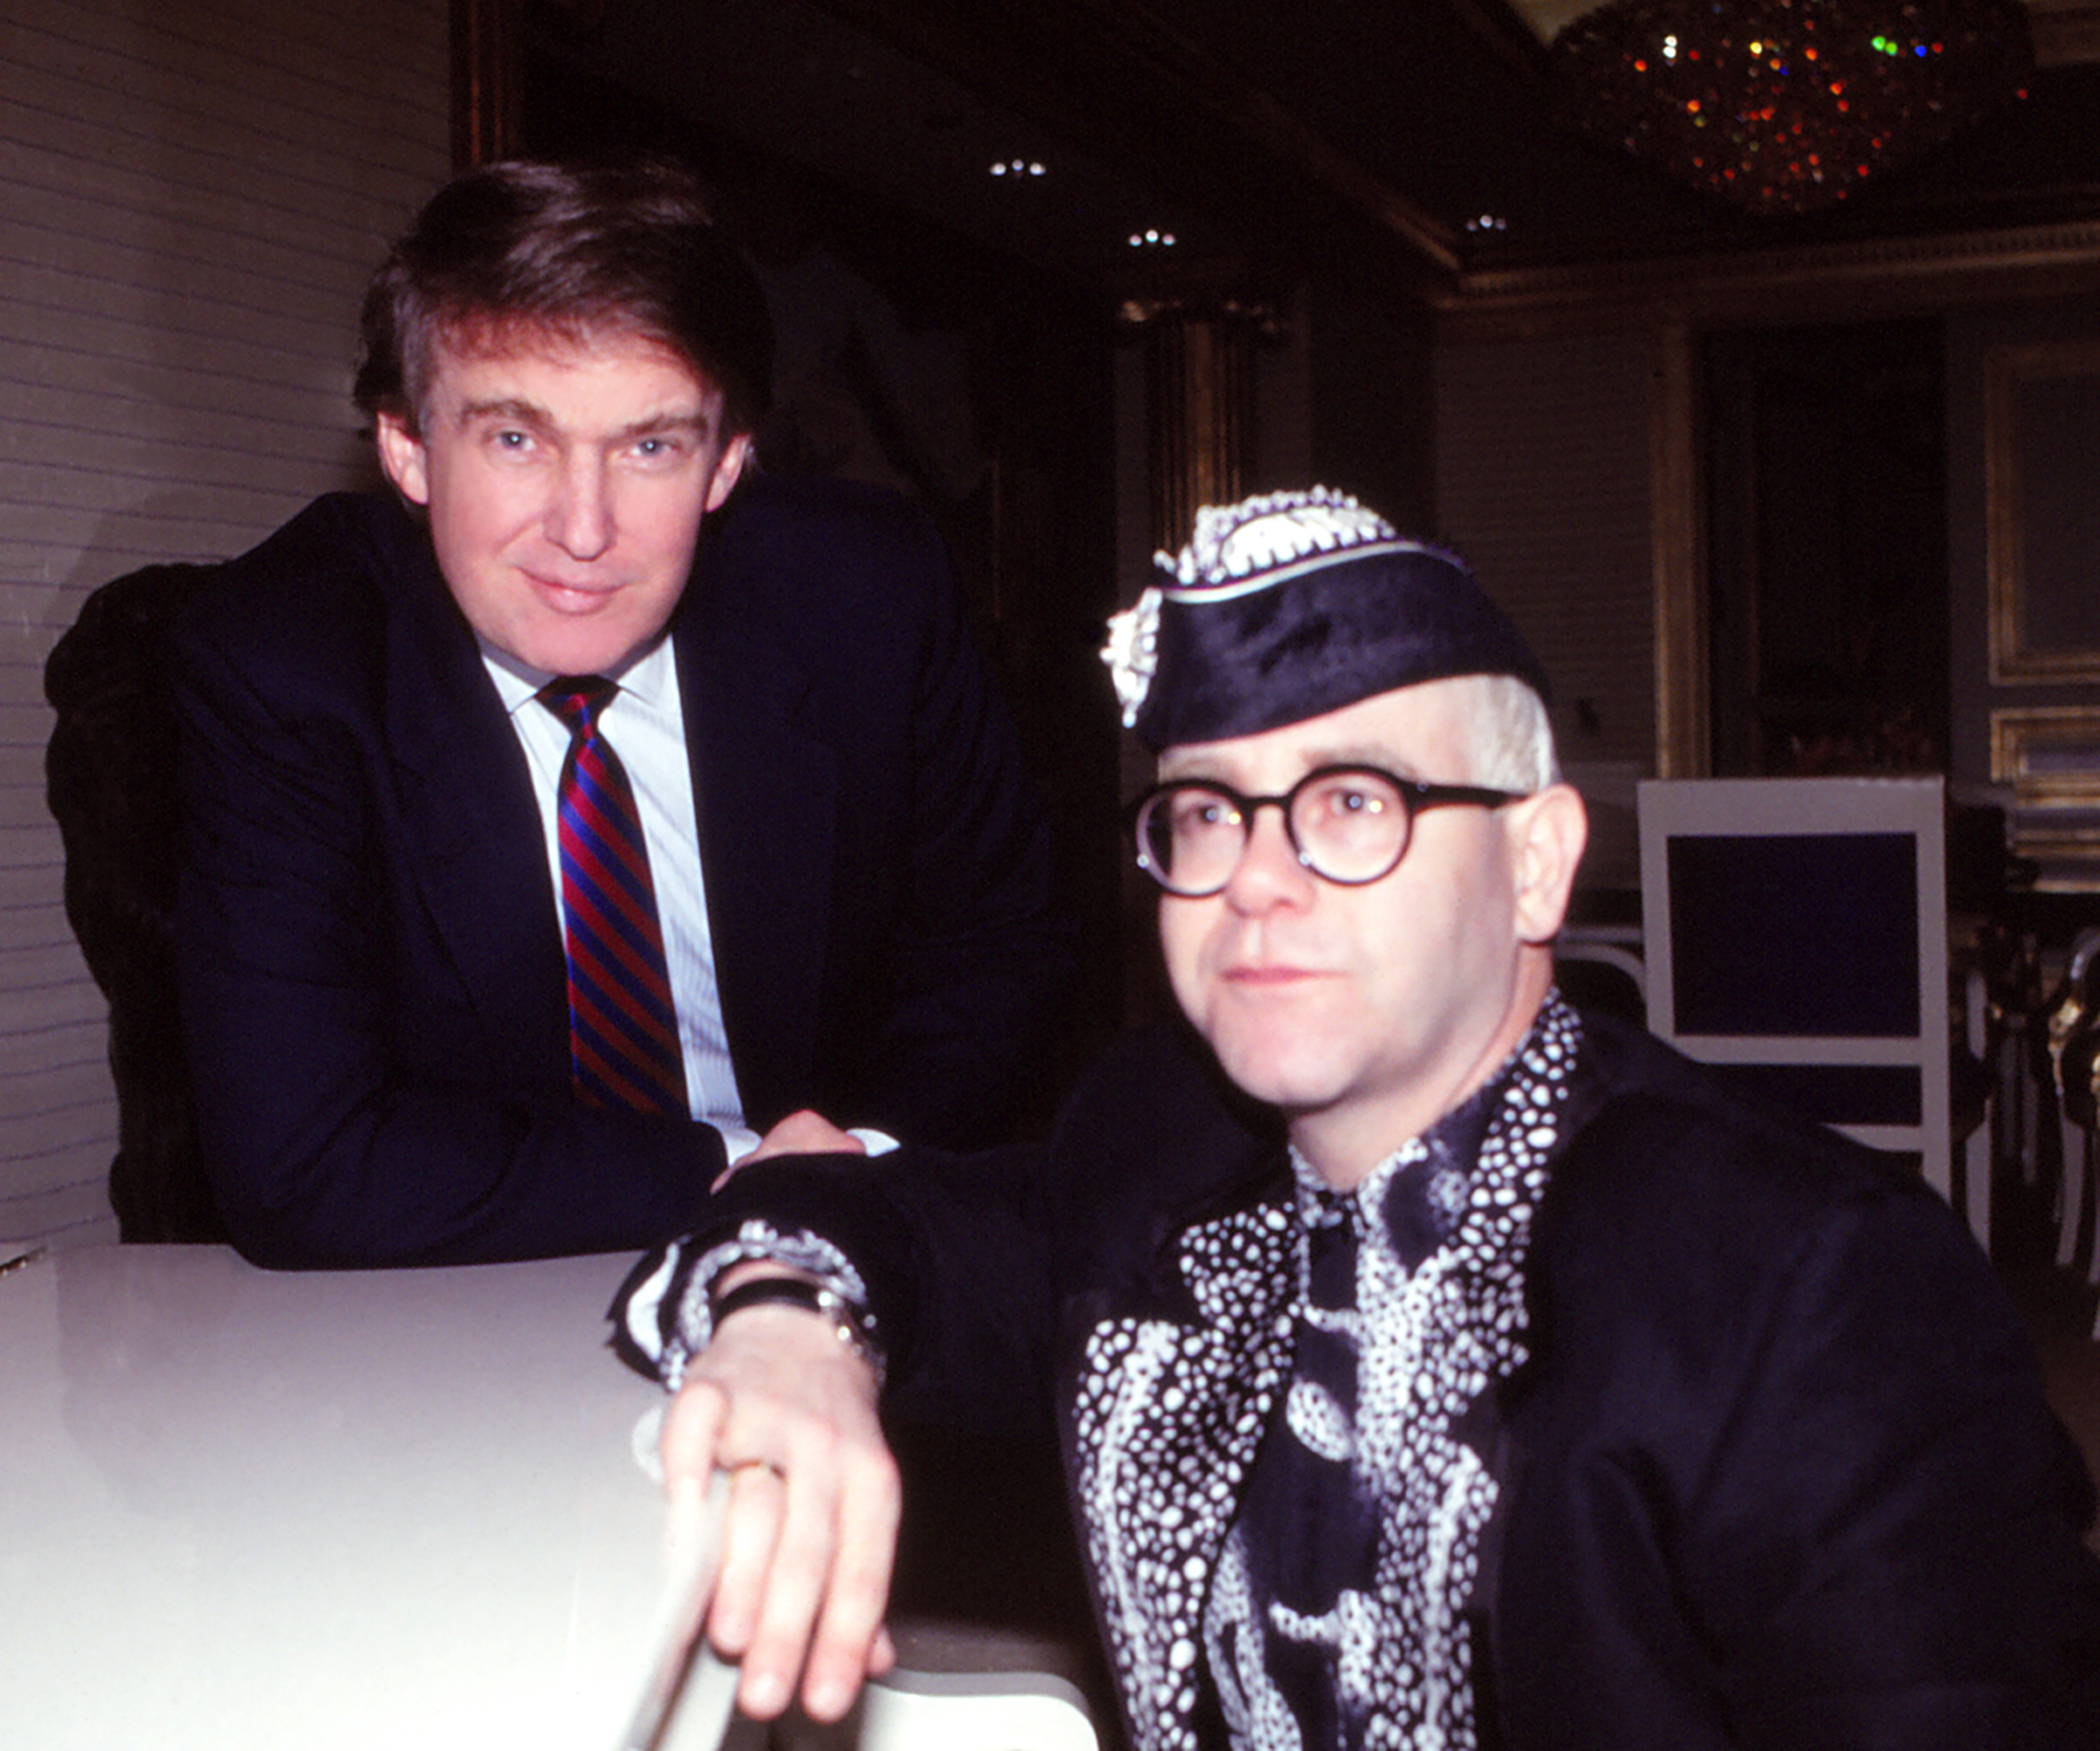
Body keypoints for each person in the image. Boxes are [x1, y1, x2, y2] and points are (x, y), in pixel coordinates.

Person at [612, 486, 2100, 1749]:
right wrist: (788, 1321)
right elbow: (869, 1210)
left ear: (1533, 866)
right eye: (1204, 811)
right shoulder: (1156, 1140)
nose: (1253, 877)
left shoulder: (1808, 1290)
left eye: (1348, 804)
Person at [171, 159, 1072, 1268]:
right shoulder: (283, 663)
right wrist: (741, 1175)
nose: (584, 530)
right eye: (516, 440)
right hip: (459, 1310)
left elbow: (1000, 949)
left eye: (649, 447)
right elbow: (302, 1162)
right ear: (407, 447)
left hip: (844, 1273)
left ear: (728, 460)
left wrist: (853, 1165)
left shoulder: (867, 600)